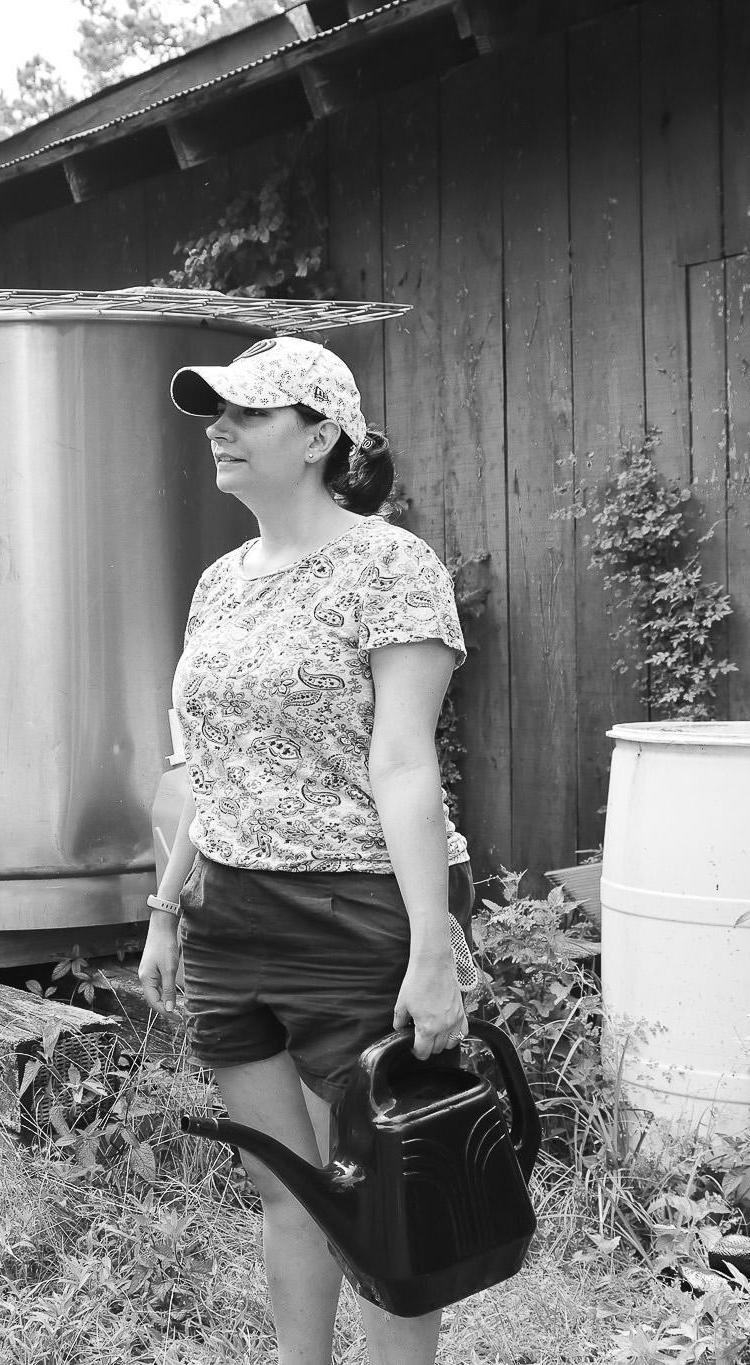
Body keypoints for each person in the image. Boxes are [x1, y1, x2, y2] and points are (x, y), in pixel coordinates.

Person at [137, 336, 480, 1365]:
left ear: (321, 434)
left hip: (357, 908)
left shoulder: (390, 564)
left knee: (386, 1194)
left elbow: (404, 765)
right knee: (286, 1184)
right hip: (228, 914)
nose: (220, 428)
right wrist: (166, 909)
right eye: (215, 411)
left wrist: (432, 950)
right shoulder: (220, 582)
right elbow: (208, 765)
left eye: (249, 412)